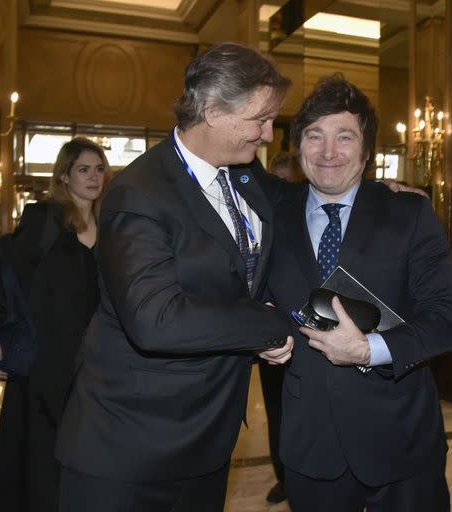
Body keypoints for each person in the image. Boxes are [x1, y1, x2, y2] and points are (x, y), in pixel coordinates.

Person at [55, 42, 295, 512]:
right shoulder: (140, 192)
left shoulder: (243, 176)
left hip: (206, 438)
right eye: (259, 118)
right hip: (129, 448)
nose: (268, 134)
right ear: (212, 112)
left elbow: (301, 201)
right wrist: (267, 325)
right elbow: (155, 319)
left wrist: (377, 193)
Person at [265, 75, 452, 512]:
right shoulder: (272, 220)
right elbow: (253, 298)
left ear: (367, 150)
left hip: (401, 439)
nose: (328, 152)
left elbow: (446, 321)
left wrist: (368, 349)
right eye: (315, 136)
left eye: (344, 137)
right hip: (309, 443)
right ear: (299, 147)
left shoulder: (409, 213)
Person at [0, 137, 110, 511]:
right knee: (39, 452)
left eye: (99, 169)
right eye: (83, 169)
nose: (93, 177)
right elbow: (8, 279)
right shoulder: (45, 218)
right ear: (64, 176)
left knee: (84, 451)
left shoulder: (110, 223)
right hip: (46, 359)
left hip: (94, 360)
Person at [260, 150, 304, 505]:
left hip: (306, 335)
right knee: (276, 411)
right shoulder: (259, 219)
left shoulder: (308, 218)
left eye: (287, 182)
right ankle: (283, 477)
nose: (281, 189)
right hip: (271, 333)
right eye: (275, 181)